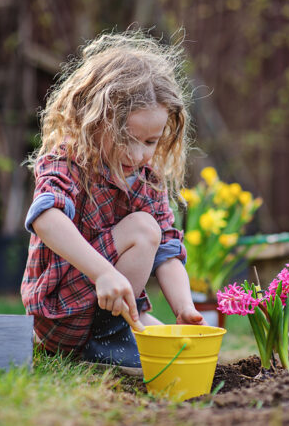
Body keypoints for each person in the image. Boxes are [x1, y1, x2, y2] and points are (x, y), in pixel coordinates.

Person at [21, 30, 206, 371]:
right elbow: (46, 218)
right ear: (94, 120)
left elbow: (167, 248)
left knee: (172, 348)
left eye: (150, 141)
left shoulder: (147, 178)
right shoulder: (68, 161)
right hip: (60, 311)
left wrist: (184, 307)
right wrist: (103, 272)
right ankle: (105, 342)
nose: (138, 154)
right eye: (126, 138)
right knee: (142, 229)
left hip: (103, 307)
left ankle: (114, 334)